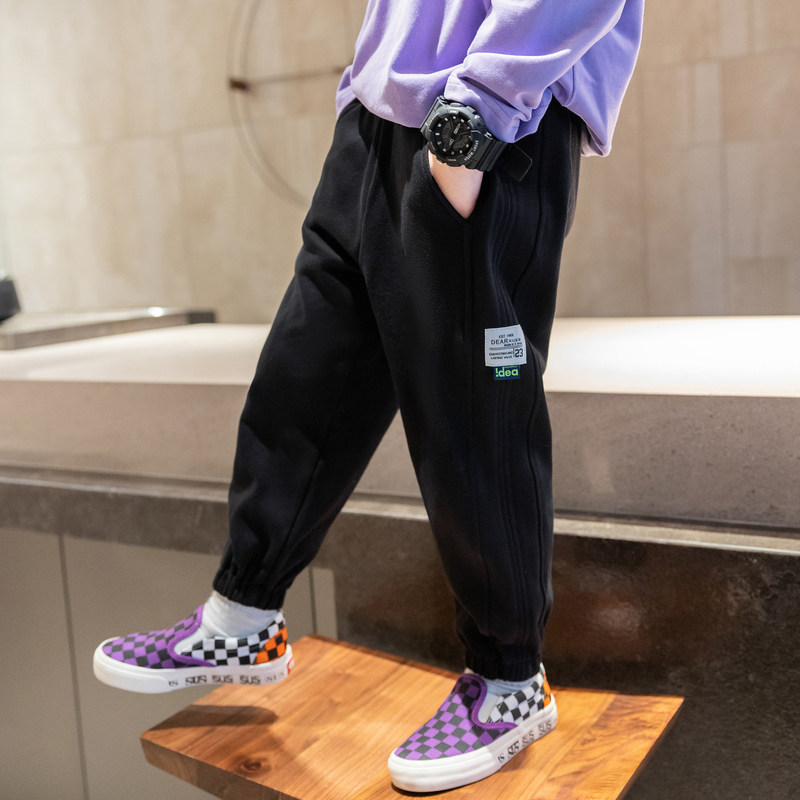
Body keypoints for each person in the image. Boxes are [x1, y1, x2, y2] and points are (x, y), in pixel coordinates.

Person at [93, 0, 644, 792]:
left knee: (471, 415)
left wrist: (475, 118)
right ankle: (243, 616)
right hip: (377, 116)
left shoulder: (478, 116)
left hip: (483, 120)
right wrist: (365, 89)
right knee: (304, 375)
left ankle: (510, 681)